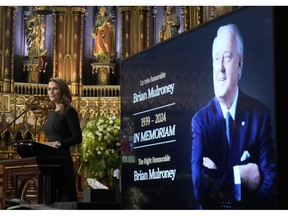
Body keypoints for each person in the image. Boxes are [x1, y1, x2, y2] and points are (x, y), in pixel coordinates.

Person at [191, 24, 277, 209]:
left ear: (240, 63)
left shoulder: (259, 116)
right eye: (216, 59)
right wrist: (241, 175)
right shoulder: (201, 121)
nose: (220, 67)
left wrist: (217, 177)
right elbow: (200, 187)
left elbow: (271, 185)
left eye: (227, 57)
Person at [42, 77, 82, 202]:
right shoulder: (51, 113)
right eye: (49, 89)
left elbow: (78, 137)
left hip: (62, 161)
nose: (51, 92)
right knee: (49, 198)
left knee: (63, 199)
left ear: (62, 91)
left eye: (55, 88)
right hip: (48, 162)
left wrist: (58, 143)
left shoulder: (69, 111)